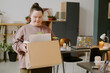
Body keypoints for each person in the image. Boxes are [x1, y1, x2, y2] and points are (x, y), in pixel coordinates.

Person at [12, 3, 55, 73]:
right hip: (28, 66)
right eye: (35, 17)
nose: (37, 19)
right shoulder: (24, 29)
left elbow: (54, 42)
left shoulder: (47, 29)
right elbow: (15, 43)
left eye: (40, 17)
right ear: (30, 16)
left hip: (45, 65)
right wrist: (22, 46)